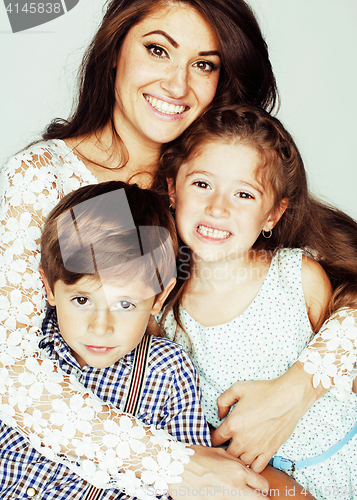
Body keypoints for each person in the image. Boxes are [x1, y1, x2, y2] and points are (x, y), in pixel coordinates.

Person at [0, 0, 278, 495]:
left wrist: (295, 391)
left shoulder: (216, 185)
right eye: (157, 50)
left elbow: (337, 281)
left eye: (204, 64)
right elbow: (9, 369)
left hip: (233, 441)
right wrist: (171, 466)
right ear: (114, 53)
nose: (177, 86)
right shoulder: (40, 178)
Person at [158, 104, 357, 499]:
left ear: (272, 215)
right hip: (265, 486)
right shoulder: (162, 311)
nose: (218, 207)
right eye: (201, 184)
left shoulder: (296, 277)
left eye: (244, 194)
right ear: (171, 189)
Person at [0, 180, 215, 498]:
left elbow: (193, 480)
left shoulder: (168, 370)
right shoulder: (28, 350)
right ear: (49, 288)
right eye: (82, 300)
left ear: (159, 297)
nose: (101, 326)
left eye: (125, 304)